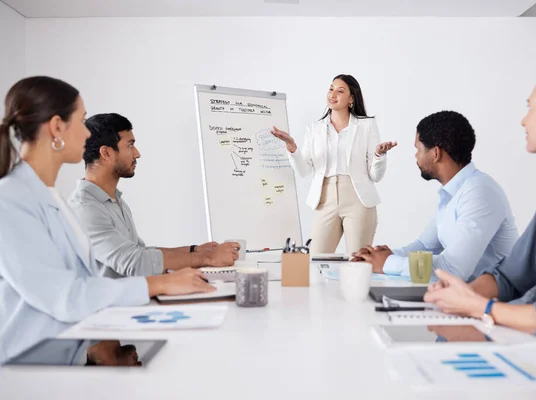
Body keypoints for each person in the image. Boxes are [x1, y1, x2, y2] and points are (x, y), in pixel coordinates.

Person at [0, 76, 214, 364]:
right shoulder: (11, 200)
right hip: (27, 368)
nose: (87, 135)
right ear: (56, 127)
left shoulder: (50, 197)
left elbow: (85, 284)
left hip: (63, 358)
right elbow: (65, 296)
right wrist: (159, 284)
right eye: (81, 121)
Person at [424, 60, 536, 359]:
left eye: (531, 107)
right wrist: (459, 296)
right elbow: (510, 277)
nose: (523, 120)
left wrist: (484, 308)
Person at [353, 111, 519, 282]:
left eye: (417, 149)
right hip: (465, 296)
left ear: (435, 153)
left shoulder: (479, 193)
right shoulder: (454, 192)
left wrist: (387, 263)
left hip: (495, 302)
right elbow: (425, 246)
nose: (415, 156)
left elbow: (453, 269)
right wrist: (380, 256)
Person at [67, 113, 238, 278]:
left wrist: (196, 250)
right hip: (110, 307)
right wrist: (206, 258)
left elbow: (141, 252)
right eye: (130, 145)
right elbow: (134, 263)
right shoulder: (85, 208)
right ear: (107, 153)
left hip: (133, 301)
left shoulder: (114, 200)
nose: (137, 153)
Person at [271, 74, 397, 254]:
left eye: (340, 91)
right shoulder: (314, 129)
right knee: (316, 259)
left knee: (358, 262)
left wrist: (379, 155)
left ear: (351, 98)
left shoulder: (367, 126)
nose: (333, 94)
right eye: (331, 89)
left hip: (358, 200)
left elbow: (375, 176)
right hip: (325, 199)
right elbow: (304, 170)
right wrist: (292, 147)